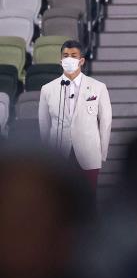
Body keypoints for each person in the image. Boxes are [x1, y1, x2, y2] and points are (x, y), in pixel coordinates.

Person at [38, 40, 112, 188]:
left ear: (81, 60)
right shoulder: (47, 89)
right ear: (60, 61)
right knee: (59, 200)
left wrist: (102, 153)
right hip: (58, 153)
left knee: (88, 199)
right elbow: (44, 124)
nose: (69, 59)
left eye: (73, 55)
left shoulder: (98, 87)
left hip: (88, 153)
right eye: (65, 55)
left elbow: (106, 122)